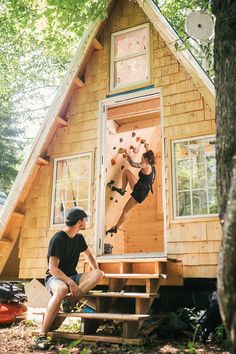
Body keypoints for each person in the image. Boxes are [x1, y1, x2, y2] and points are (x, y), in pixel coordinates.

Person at [35, 207, 104, 350]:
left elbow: (89, 256)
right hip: (55, 278)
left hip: (72, 276)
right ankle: (42, 334)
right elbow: (53, 268)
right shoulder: (58, 239)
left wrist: (94, 270)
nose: (87, 222)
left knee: (99, 274)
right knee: (61, 289)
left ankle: (70, 301)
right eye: (86, 220)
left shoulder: (79, 238)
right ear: (80, 222)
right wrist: (70, 282)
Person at [106, 141, 156, 236]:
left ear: (146, 159)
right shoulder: (151, 163)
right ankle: (122, 190)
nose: (141, 159)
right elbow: (149, 152)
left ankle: (116, 228)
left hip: (140, 191)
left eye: (142, 158)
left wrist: (126, 152)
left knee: (125, 210)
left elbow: (133, 164)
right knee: (126, 172)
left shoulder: (145, 165)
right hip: (142, 189)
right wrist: (145, 144)